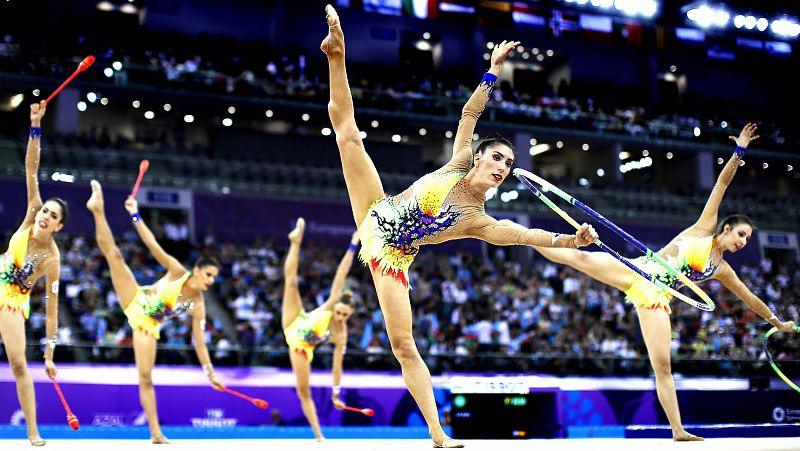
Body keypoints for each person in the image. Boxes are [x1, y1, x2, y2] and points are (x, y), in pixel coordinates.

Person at [320, 5, 598, 447]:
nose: (503, 167)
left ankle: (436, 432)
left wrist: (571, 238)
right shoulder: (459, 160)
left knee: (403, 345)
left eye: (509, 163)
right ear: (482, 156)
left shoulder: (479, 220)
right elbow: (468, 117)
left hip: (390, 256)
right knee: (348, 134)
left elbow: (526, 236)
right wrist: (491, 73)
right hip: (378, 208)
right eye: (498, 158)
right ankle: (337, 55)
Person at [533, 123, 796, 441]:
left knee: (663, 366)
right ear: (726, 229)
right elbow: (722, 184)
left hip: (657, 297)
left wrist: (776, 321)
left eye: (748, 239)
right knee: (579, 257)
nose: (743, 241)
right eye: (741, 234)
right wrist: (739, 152)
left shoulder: (723, 269)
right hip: (640, 270)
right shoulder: (703, 228)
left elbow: (749, 298)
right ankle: (519, 236)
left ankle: (677, 430)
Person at [86, 180, 224, 443]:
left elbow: (199, 342)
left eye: (215, 278)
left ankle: (155, 432)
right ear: (197, 271)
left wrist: (210, 372)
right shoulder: (176, 270)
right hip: (136, 298)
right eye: (208, 275)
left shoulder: (199, 306)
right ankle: (97, 208)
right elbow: (151, 244)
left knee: (146, 378)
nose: (211, 281)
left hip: (147, 324)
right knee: (114, 255)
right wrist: (135, 213)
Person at [0, 102, 66, 446]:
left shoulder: (52, 260)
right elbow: (31, 167)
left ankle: (32, 431)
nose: (44, 214)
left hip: (13, 302)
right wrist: (36, 126)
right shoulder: (30, 214)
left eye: (52, 214)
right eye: (45, 209)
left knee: (19, 366)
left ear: (59, 225)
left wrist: (51, 352)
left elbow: (51, 312)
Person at [282, 219, 358, 441]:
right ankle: (295, 242)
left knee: (304, 392)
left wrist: (335, 393)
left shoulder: (341, 335)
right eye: (340, 312)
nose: (341, 317)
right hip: (294, 320)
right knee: (291, 284)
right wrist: (353, 245)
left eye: (346, 315)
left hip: (301, 346)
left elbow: (337, 366)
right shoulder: (332, 301)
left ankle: (318, 435)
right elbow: (342, 272)